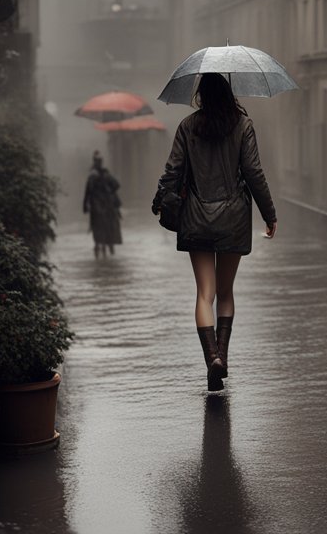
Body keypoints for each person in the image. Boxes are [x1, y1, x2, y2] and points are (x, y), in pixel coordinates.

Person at [152, 74, 277, 391]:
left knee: (204, 293)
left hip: (196, 217)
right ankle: (222, 355)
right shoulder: (243, 126)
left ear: (200, 96)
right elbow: (253, 172)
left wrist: (161, 199)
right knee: (226, 292)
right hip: (233, 219)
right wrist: (269, 213)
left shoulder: (187, 126)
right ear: (228, 93)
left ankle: (212, 360)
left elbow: (173, 170)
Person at [83, 151, 123, 258]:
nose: (99, 162)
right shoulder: (96, 175)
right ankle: (102, 248)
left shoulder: (102, 174)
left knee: (103, 228)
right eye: (98, 161)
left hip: (104, 206)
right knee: (100, 229)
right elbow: (88, 191)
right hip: (100, 206)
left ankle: (105, 249)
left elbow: (116, 185)